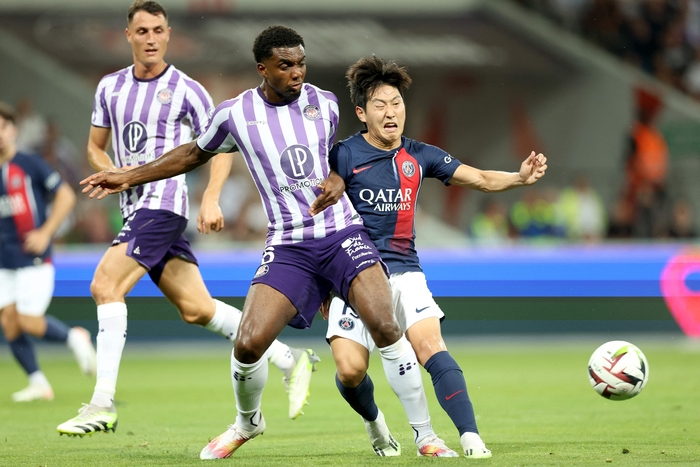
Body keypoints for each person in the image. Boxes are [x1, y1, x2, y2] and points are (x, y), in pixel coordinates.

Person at [79, 25, 424, 461]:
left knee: (386, 327)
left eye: (301, 63)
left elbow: (338, 155)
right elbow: (193, 154)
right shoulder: (234, 114)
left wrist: (339, 178)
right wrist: (128, 176)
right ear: (263, 68)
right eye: (285, 65)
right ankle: (248, 422)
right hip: (289, 245)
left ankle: (424, 436)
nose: (297, 72)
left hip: (342, 235)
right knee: (247, 344)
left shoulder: (324, 102)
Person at [56, 2, 317, 437]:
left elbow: (220, 144)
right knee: (197, 309)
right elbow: (94, 147)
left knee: (105, 285)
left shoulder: (187, 90)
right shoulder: (110, 87)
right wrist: (114, 172)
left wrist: (210, 197)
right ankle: (288, 358)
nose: (151, 38)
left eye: (158, 30)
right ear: (128, 35)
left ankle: (101, 404)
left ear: (168, 34)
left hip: (163, 204)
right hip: (134, 205)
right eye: (142, 31)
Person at [324, 56, 547, 458]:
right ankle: (375, 422)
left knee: (430, 345)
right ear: (361, 112)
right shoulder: (341, 154)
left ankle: (469, 437)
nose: (391, 112)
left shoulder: (420, 155)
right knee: (351, 369)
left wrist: (518, 178)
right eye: (380, 105)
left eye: (397, 103)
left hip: (405, 272)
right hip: (354, 275)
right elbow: (320, 209)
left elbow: (480, 178)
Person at [0, 102, 96, 402]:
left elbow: (66, 195)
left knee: (28, 320)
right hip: (3, 260)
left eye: (3, 127)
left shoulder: (30, 163)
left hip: (33, 257)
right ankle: (38, 382)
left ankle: (73, 337)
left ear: (13, 130)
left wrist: (45, 232)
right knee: (8, 321)